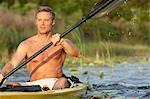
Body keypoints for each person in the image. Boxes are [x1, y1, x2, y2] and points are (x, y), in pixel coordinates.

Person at [0, 6, 80, 90]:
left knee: (62, 82)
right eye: (40, 20)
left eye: (46, 20)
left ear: (53, 22)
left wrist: (62, 42)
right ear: (36, 22)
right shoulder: (26, 44)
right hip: (34, 83)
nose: (42, 24)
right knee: (12, 85)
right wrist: (2, 73)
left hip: (55, 82)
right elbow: (12, 64)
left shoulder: (62, 42)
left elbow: (77, 54)